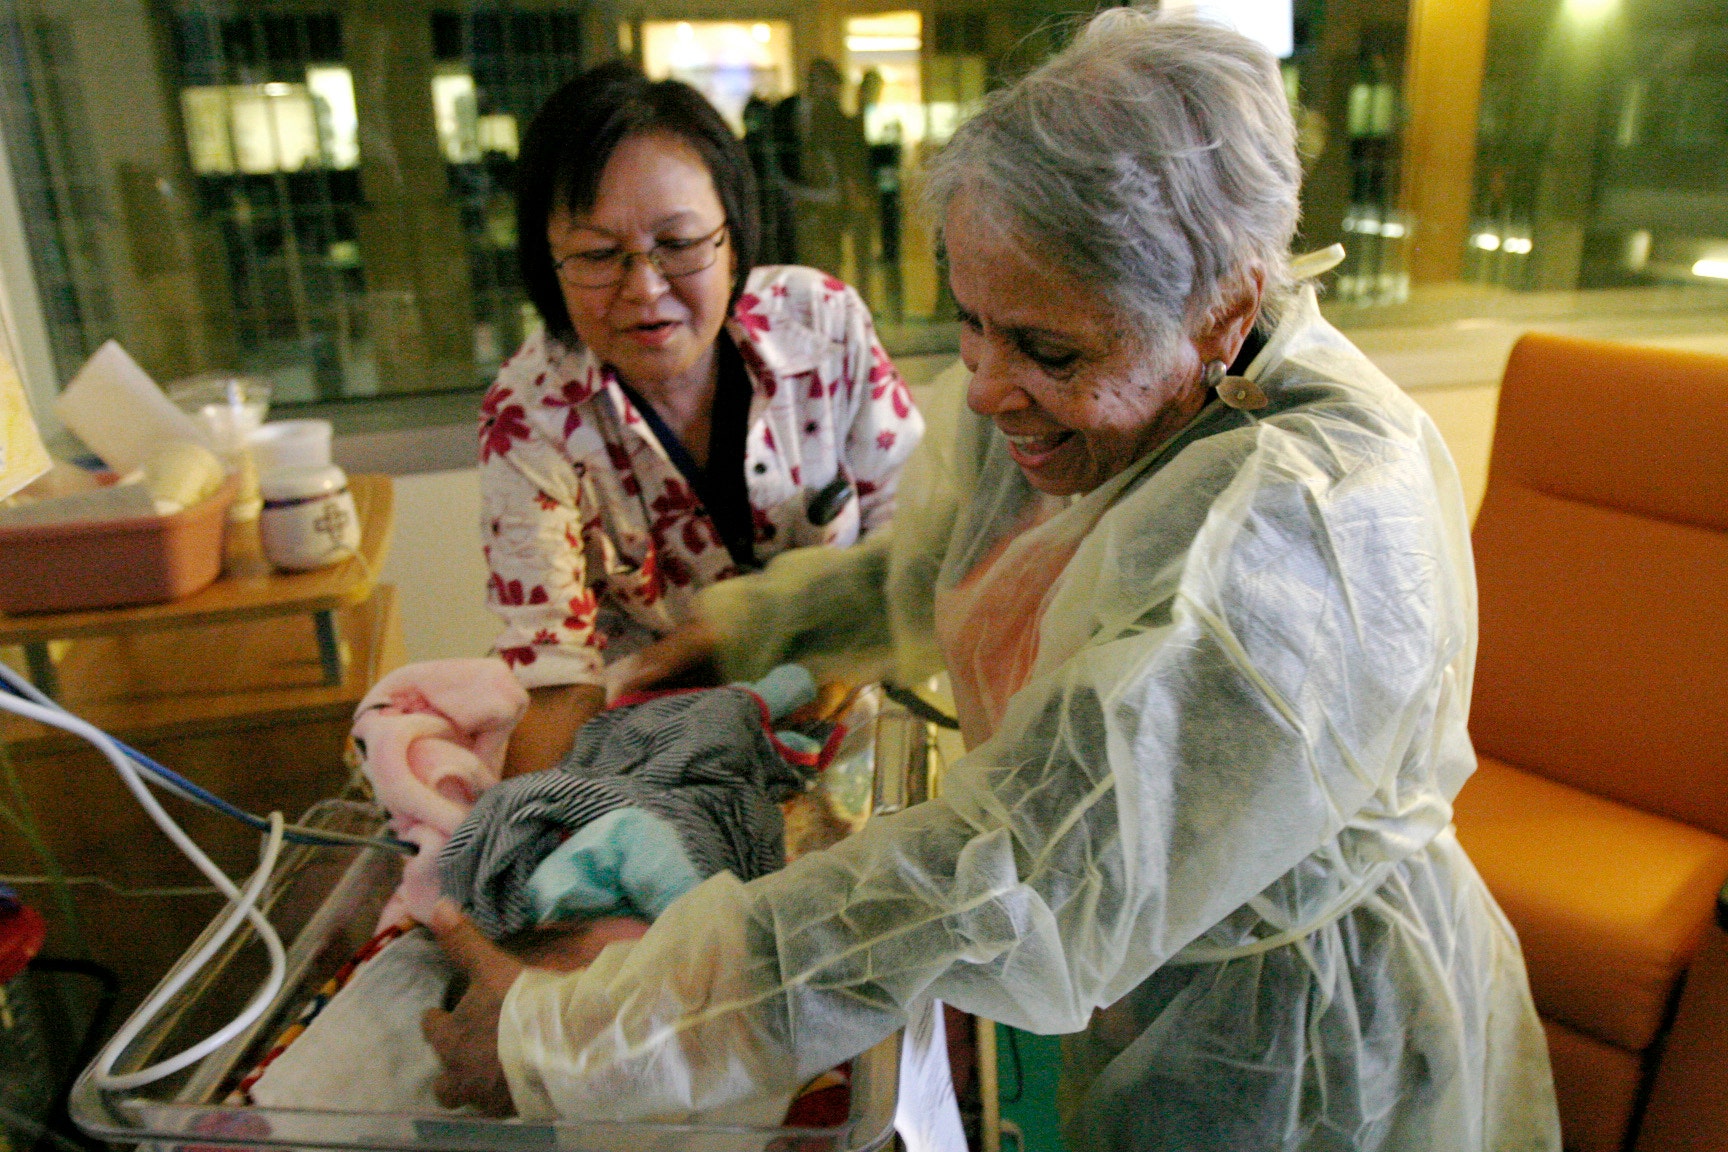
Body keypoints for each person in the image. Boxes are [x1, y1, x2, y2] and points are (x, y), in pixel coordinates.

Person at [425, 12, 1562, 1149]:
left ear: (1222, 310)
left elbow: (1008, 873)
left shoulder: (1298, 536)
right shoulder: (1071, 384)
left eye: (1046, 351)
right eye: (972, 326)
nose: (984, 388)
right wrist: (749, 635)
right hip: (1130, 981)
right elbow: (952, 568)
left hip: (1294, 1041)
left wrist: (563, 1040)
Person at [480, 63, 923, 776]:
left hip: (854, 720)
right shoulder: (528, 414)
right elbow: (557, 676)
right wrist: (518, 838)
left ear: (734, 238)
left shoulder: (824, 326)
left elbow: (920, 542)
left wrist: (833, 666)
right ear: (548, 264)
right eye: (597, 255)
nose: (645, 289)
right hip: (658, 757)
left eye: (679, 245)